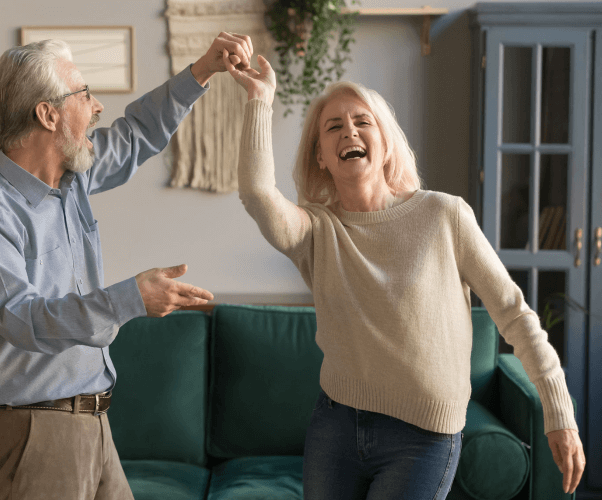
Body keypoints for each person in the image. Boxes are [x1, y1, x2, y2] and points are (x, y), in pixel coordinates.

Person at [223, 53, 586, 498]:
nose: (349, 131)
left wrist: (559, 411)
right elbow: (258, 193)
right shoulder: (315, 231)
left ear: (386, 143)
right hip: (336, 426)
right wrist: (260, 99)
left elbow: (513, 312)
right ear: (321, 156)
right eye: (334, 127)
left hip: (425, 437)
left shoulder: (444, 215)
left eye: (362, 121)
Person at [0, 33, 253, 500]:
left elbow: (137, 134)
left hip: (93, 423)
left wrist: (203, 69)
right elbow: (22, 318)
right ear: (48, 114)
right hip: (35, 433)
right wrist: (130, 299)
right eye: (84, 94)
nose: (98, 106)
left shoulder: (71, 181)